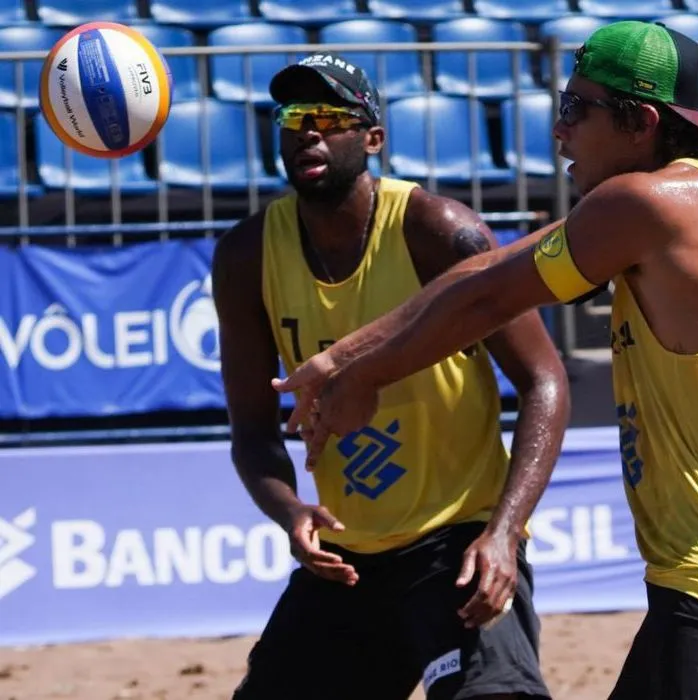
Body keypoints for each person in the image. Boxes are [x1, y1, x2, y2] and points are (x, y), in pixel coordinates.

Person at [274, 21, 698, 700]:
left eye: (576, 108)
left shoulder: (647, 204)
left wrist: (362, 377)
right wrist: (344, 355)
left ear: (641, 122)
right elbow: (489, 269)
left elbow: (485, 302)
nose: (559, 131)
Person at [212, 52, 570, 700]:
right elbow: (252, 432)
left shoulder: (437, 230)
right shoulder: (246, 255)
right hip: (345, 559)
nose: (308, 131)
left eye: (328, 116)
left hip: (456, 545)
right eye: (294, 117)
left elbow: (545, 380)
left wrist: (504, 533)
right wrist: (290, 510)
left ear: (373, 136)